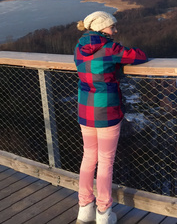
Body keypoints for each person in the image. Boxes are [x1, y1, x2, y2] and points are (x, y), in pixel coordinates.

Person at [74, 11, 149, 224]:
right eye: (112, 27)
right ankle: (103, 212)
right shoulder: (110, 48)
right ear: (101, 27)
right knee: (106, 162)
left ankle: (84, 208)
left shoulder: (78, 47)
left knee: (88, 158)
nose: (115, 31)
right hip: (106, 110)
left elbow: (94, 67)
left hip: (85, 109)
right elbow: (138, 55)